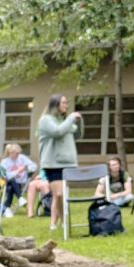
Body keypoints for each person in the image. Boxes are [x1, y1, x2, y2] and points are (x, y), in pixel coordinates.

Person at [37, 94, 83, 230]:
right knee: (58, 194)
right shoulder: (45, 120)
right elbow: (57, 132)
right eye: (63, 103)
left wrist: (78, 122)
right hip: (53, 163)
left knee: (61, 194)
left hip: (68, 163)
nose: (66, 105)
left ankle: (61, 224)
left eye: (66, 103)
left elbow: (77, 135)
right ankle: (62, 222)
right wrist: (70, 119)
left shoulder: (65, 121)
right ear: (55, 104)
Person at [0, 143, 37, 217]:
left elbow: (34, 166)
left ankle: (6, 208)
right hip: (7, 183)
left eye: (18, 154)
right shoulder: (4, 162)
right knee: (11, 181)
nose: (17, 155)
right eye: (16, 154)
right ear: (10, 153)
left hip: (20, 183)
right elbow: (6, 176)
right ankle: (20, 198)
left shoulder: (22, 158)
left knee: (11, 187)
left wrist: (26, 168)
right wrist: (18, 171)